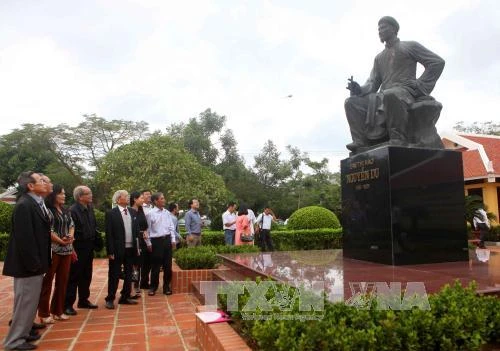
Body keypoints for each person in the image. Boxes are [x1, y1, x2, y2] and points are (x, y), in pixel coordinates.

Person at [344, 16, 445, 154]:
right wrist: (359, 89)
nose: (380, 31)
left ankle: (398, 138)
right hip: (382, 95)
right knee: (351, 102)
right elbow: (373, 82)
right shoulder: (379, 57)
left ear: (394, 29)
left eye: (383, 27)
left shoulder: (410, 46)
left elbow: (437, 62)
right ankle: (360, 141)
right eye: (378, 29)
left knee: (390, 94)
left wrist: (420, 84)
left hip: (405, 91)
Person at [3, 172, 51, 351]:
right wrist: (35, 265)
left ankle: (21, 336)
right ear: (30, 186)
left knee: (27, 304)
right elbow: (25, 240)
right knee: (25, 304)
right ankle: (13, 342)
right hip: (28, 267)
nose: (45, 183)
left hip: (33, 265)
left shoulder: (33, 203)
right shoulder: (25, 205)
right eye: (40, 180)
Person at [38, 184, 75, 324]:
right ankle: (43, 312)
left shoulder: (66, 210)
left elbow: (71, 225)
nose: (64, 196)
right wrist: (61, 241)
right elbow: (49, 230)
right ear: (53, 195)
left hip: (66, 249)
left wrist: (70, 237)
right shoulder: (48, 211)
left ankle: (57, 311)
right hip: (53, 250)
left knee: (62, 281)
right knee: (47, 282)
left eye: (64, 193)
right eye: (61, 193)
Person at [64, 186, 99, 316]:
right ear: (80, 197)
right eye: (88, 193)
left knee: (86, 274)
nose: (91, 195)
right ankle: (67, 304)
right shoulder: (72, 211)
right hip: (78, 247)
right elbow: (70, 230)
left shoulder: (89, 208)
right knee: (74, 276)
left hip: (89, 246)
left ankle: (83, 300)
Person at [104, 190, 140, 309]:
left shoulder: (132, 211)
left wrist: (138, 248)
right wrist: (110, 251)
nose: (128, 197)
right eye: (126, 196)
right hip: (117, 249)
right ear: (119, 199)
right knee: (114, 274)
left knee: (129, 273)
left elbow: (136, 231)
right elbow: (109, 234)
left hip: (131, 248)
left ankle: (125, 297)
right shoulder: (111, 213)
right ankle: (110, 298)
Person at [146, 192, 176, 296]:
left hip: (167, 240)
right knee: (155, 265)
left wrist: (173, 240)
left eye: (163, 198)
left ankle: (166, 286)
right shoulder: (150, 214)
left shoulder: (167, 213)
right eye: (162, 198)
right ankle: (153, 286)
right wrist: (148, 243)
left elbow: (171, 227)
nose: (164, 200)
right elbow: (147, 230)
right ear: (155, 201)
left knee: (168, 266)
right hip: (156, 242)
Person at [129, 191, 150, 294]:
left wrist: (145, 232)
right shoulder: (129, 211)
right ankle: (133, 283)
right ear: (134, 199)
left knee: (140, 263)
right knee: (134, 265)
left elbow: (145, 226)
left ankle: (137, 284)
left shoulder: (141, 211)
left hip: (142, 241)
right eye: (141, 198)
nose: (143, 200)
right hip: (133, 241)